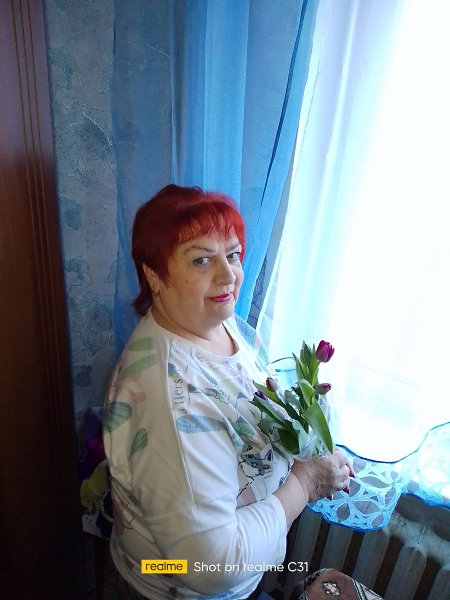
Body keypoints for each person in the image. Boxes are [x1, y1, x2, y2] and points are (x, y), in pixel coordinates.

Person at [102, 184, 354, 600]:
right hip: (166, 584)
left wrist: (309, 445)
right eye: (201, 260)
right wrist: (306, 482)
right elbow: (210, 568)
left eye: (232, 255)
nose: (228, 275)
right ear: (154, 275)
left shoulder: (211, 320)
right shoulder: (170, 404)